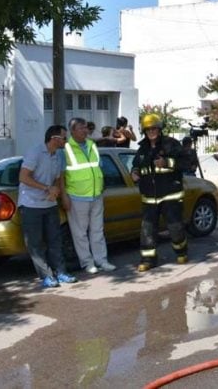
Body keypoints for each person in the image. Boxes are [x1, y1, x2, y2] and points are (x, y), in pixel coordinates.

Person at [18, 125, 78, 288]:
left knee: (55, 239)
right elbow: (23, 177)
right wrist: (46, 188)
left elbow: (58, 179)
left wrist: (60, 193)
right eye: (64, 138)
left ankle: (61, 272)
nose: (66, 141)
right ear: (54, 139)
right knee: (35, 243)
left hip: (49, 203)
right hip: (30, 204)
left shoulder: (58, 156)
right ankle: (46, 275)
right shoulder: (35, 152)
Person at [131, 114, 192, 271]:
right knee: (147, 230)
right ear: (144, 131)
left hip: (170, 194)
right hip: (149, 197)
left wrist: (167, 163)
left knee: (175, 227)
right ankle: (148, 259)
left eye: (154, 128)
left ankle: (181, 251)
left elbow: (187, 163)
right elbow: (136, 164)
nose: (151, 132)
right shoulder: (142, 148)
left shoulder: (171, 144)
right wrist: (135, 173)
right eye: (148, 129)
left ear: (159, 129)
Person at [61, 117, 116, 274]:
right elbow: (61, 176)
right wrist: (65, 196)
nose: (85, 131)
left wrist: (101, 184)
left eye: (86, 127)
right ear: (72, 131)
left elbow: (99, 167)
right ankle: (87, 263)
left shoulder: (92, 145)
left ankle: (101, 260)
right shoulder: (66, 149)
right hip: (77, 196)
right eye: (81, 128)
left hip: (96, 195)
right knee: (80, 233)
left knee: (98, 231)